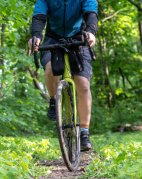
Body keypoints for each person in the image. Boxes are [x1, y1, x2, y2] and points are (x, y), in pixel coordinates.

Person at [29, 0, 98, 152]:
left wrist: (91, 32)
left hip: (79, 38)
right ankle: (54, 99)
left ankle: (84, 131)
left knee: (83, 84)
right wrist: (36, 36)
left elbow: (90, 13)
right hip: (53, 39)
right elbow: (39, 17)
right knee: (50, 69)